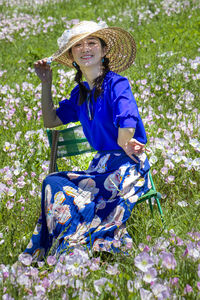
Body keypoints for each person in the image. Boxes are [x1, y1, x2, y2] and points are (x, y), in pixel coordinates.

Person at [23, 20, 151, 261]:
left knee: (91, 195)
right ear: (72, 56)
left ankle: (81, 244)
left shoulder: (117, 83)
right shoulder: (79, 94)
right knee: (52, 181)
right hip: (100, 168)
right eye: (78, 45)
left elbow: (127, 118)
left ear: (103, 51)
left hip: (125, 165)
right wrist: (46, 83)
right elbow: (51, 120)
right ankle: (69, 245)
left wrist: (126, 141)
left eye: (92, 42)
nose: (85, 48)